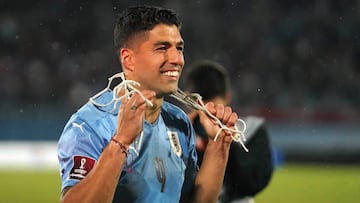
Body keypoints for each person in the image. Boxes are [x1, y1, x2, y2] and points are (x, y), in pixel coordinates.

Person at [57, 5, 241, 203]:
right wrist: (120, 142)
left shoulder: (178, 121)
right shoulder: (89, 125)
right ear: (128, 60)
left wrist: (218, 146)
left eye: (179, 48)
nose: (176, 59)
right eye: (162, 48)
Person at [180, 59, 274, 203]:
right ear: (228, 95)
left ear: (188, 97)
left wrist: (224, 139)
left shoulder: (177, 131)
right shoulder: (251, 129)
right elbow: (255, 182)